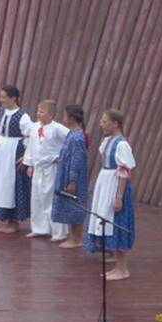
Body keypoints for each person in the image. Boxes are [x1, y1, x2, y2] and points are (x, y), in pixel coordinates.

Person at [84, 109, 136, 280]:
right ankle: (117, 267)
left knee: (116, 223)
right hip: (105, 181)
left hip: (114, 185)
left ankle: (123, 269)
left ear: (115, 123)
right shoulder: (108, 141)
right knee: (106, 221)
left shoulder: (121, 144)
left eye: (105, 121)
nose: (101, 123)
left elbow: (124, 171)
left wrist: (119, 196)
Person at [0, 85, 34, 234]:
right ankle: (6, 219)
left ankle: (14, 221)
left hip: (15, 149)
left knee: (12, 182)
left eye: (3, 97)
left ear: (13, 98)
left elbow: (30, 136)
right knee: (1, 181)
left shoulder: (23, 116)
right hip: (2, 148)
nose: (1, 100)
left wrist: (26, 155)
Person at [23, 99, 70, 240]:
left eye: (42, 112)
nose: (38, 114)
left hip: (51, 167)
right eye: (38, 111)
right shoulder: (34, 127)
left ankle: (58, 231)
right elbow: (31, 146)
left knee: (50, 198)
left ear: (50, 114)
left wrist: (59, 156)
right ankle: (39, 228)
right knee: (37, 198)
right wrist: (29, 164)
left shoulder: (57, 128)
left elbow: (71, 140)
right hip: (38, 167)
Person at [52, 104, 89, 249]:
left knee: (75, 206)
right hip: (66, 174)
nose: (63, 118)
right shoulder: (71, 134)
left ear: (72, 118)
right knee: (68, 205)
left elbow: (77, 159)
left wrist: (72, 180)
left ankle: (76, 238)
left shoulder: (78, 137)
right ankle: (73, 236)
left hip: (73, 177)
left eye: (65, 115)